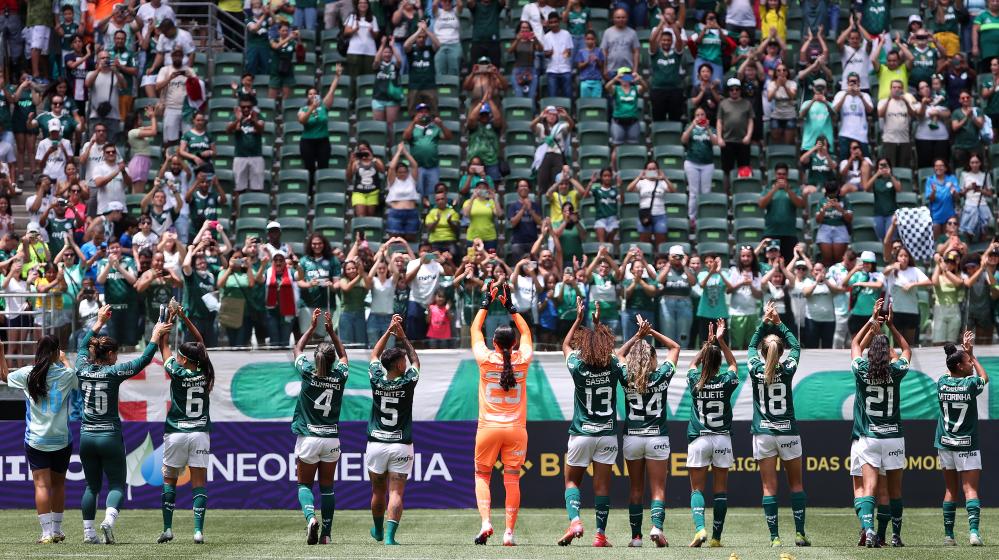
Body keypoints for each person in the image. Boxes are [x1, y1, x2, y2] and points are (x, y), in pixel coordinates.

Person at [77, 305, 169, 543]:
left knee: (91, 486)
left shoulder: (81, 368)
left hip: (86, 434)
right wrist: (155, 336)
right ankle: (108, 521)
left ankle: (88, 534)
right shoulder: (113, 372)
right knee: (117, 483)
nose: (117, 358)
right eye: (115, 354)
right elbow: (144, 360)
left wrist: (97, 323)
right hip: (109, 434)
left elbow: (80, 346)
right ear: (108, 356)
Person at [558, 297, 624, 547]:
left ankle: (575, 520)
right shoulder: (615, 365)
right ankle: (600, 536)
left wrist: (578, 320)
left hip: (582, 432)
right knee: (602, 488)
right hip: (607, 433)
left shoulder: (578, 367)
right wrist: (598, 325)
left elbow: (565, 344)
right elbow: (610, 350)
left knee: (572, 481)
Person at [469, 284, 531, 546]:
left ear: (493, 342)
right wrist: (511, 308)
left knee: (482, 476)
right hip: (516, 430)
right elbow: (527, 331)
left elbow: (474, 330)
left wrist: (486, 302)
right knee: (512, 479)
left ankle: (486, 523)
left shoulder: (485, 358)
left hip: (488, 429)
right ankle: (508, 533)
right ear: (514, 343)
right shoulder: (523, 359)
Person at [0, 334, 77, 543]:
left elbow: (4, 376)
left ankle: (45, 534)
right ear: (54, 352)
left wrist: (0, 351)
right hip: (61, 439)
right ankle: (57, 530)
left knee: (41, 486)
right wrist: (63, 359)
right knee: (59, 485)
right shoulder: (65, 374)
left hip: (36, 439)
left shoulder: (27, 373)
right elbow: (74, 374)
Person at [850, 298, 912, 548]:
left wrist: (872, 321)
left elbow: (855, 344)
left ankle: (870, 530)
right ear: (887, 353)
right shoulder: (895, 371)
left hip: (869, 437)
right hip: (894, 436)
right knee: (894, 491)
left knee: (870, 488)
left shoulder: (862, 370)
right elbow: (907, 350)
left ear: (870, 354)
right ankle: (895, 536)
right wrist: (892, 327)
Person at [747, 303, 810, 547]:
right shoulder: (788, 368)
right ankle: (800, 533)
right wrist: (779, 322)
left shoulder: (755, 368)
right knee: (796, 485)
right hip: (788, 433)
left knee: (768, 487)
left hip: (763, 433)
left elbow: (751, 345)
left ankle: (774, 538)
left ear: (763, 352)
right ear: (780, 352)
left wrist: (764, 322)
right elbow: (796, 345)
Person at [618, 316, 680, 548]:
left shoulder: (626, 376)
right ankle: (657, 527)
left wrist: (638, 336)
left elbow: (619, 355)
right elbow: (675, 347)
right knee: (658, 488)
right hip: (657, 437)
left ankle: (636, 537)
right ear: (653, 358)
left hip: (632, 438)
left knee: (635, 489)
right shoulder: (662, 375)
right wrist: (651, 332)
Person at [156, 305, 216, 544]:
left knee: (170, 480)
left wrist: (168, 323)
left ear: (184, 359)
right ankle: (198, 531)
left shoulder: (177, 371)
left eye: (180, 355)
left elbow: (163, 345)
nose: (177, 357)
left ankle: (168, 529)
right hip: (200, 433)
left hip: (177, 433)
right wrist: (184, 317)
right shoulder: (205, 373)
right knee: (199, 483)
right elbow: (200, 340)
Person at [291, 309, 347, 545]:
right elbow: (344, 356)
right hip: (331, 438)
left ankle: (311, 518)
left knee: (304, 484)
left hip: (309, 437)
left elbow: (297, 349)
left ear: (316, 359)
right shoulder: (340, 375)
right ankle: (326, 534)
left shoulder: (306, 372)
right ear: (332, 359)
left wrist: (312, 328)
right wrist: (332, 333)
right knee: (327, 488)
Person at [366, 314, 420, 546]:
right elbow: (416, 360)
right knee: (396, 493)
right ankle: (389, 537)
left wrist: (389, 330)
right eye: (403, 361)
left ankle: (378, 531)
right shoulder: (407, 381)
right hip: (401, 444)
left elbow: (374, 355)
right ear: (399, 365)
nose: (406, 363)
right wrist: (403, 335)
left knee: (378, 492)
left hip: (377, 443)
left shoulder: (377, 379)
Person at [685, 319, 738, 547]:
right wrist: (720, 341)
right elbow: (733, 363)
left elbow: (691, 364)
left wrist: (706, 346)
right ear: (719, 364)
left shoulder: (695, 381)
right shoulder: (727, 380)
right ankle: (716, 539)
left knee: (697, 488)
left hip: (699, 439)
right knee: (720, 491)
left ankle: (700, 529)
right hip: (722, 439)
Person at [937, 332, 988, 547]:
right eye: (967, 362)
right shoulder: (969, 385)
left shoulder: (941, 382)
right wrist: (972, 354)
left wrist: (962, 353)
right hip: (967, 443)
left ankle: (949, 536)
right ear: (959, 366)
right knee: (971, 490)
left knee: (951, 490)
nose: (970, 364)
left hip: (946, 443)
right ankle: (974, 533)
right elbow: (984, 377)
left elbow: (949, 369)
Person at [298, 65, 342, 188]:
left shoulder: (323, 106)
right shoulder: (303, 109)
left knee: (323, 167)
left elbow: (332, 90)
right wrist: (311, 108)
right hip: (307, 141)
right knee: (309, 168)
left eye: (314, 93)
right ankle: (310, 193)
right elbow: (302, 120)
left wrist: (337, 76)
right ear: (307, 97)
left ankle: (323, 189)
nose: (312, 96)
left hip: (323, 141)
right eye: (310, 94)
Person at [882, 247, 932, 346]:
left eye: (906, 256)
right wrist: (893, 266)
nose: (904, 258)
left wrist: (912, 284)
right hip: (896, 311)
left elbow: (929, 282)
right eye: (901, 256)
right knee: (898, 344)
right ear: (897, 258)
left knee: (909, 344)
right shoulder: (892, 271)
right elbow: (884, 272)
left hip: (911, 311)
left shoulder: (914, 270)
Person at [759, 164, 806, 262]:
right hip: (771, 233)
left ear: (787, 175)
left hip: (789, 234)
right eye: (779, 174)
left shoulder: (794, 190)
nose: (781, 176)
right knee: (769, 263)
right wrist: (774, 189)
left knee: (789, 263)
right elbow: (761, 204)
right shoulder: (768, 189)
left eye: (783, 174)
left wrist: (788, 190)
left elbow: (800, 204)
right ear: (775, 175)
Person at [683, 107, 718, 225]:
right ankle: (692, 218)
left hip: (707, 164)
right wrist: (692, 126)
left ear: (706, 116)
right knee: (693, 192)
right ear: (694, 116)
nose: (700, 117)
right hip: (692, 163)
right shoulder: (690, 127)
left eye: (702, 114)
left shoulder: (711, 129)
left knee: (706, 191)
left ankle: (704, 216)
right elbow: (683, 140)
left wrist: (707, 128)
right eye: (697, 115)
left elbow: (715, 142)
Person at [627, 161, 673, 247]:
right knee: (644, 242)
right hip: (645, 215)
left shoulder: (662, 183)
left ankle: (659, 259)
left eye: (654, 169)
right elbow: (629, 188)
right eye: (649, 169)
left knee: (661, 242)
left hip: (660, 215)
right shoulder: (642, 182)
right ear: (645, 170)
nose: (652, 170)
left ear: (657, 170)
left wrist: (664, 178)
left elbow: (672, 190)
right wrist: (639, 177)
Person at [717, 78, 755, 182]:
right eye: (732, 89)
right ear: (728, 90)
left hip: (743, 141)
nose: (734, 91)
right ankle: (727, 193)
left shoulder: (747, 103)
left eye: (737, 89)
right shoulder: (723, 104)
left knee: (744, 168)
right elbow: (719, 121)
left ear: (740, 90)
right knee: (726, 170)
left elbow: (751, 121)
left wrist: (748, 136)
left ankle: (743, 192)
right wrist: (719, 138)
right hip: (727, 141)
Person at [877, 80, 920, 169]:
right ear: (890, 89)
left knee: (904, 167)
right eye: (894, 87)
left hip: (904, 140)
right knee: (889, 167)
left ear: (902, 89)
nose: (897, 89)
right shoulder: (883, 101)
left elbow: (913, 115)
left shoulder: (908, 101)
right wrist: (888, 100)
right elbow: (880, 114)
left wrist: (906, 102)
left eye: (899, 87)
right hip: (889, 140)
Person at [925, 158, 962, 237]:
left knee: (950, 238)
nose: (939, 168)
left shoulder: (952, 178)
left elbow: (957, 197)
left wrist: (954, 191)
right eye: (936, 166)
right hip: (936, 215)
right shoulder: (930, 180)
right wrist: (933, 192)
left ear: (945, 168)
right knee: (937, 241)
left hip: (949, 214)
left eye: (941, 165)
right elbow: (930, 199)